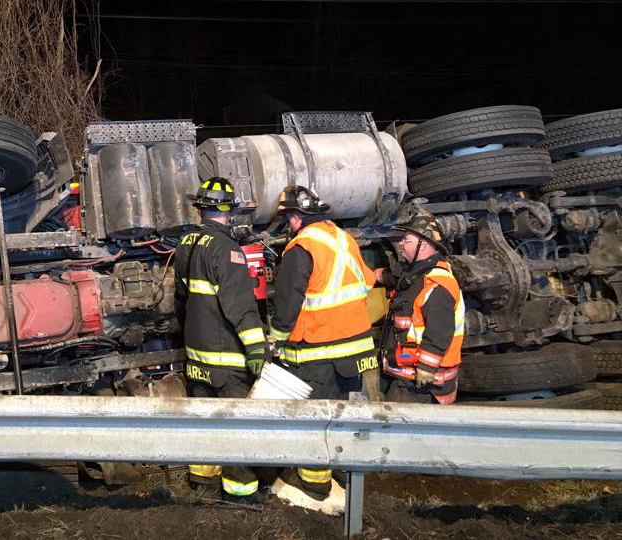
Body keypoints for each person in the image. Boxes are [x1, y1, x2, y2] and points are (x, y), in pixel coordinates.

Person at [268, 185, 377, 515]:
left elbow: (287, 306)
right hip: (356, 350)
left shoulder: (301, 246)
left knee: (316, 420)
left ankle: (314, 487)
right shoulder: (345, 239)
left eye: (288, 218)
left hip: (319, 352)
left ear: (297, 217)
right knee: (343, 415)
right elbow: (366, 283)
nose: (288, 225)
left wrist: (275, 340)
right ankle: (345, 475)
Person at [174, 176, 271, 502]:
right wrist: (257, 348)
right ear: (229, 212)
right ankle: (240, 496)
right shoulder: (226, 249)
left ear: (201, 209)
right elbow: (240, 307)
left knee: (204, 423)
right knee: (237, 426)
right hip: (227, 361)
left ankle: (203, 486)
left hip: (197, 355)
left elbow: (181, 300)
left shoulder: (186, 243)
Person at [375, 209, 464, 404]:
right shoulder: (417, 274)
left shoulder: (437, 284)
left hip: (422, 384)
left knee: (397, 431)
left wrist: (426, 367)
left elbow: (440, 331)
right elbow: (397, 279)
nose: (401, 244)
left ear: (424, 245)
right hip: (407, 376)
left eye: (406, 240)